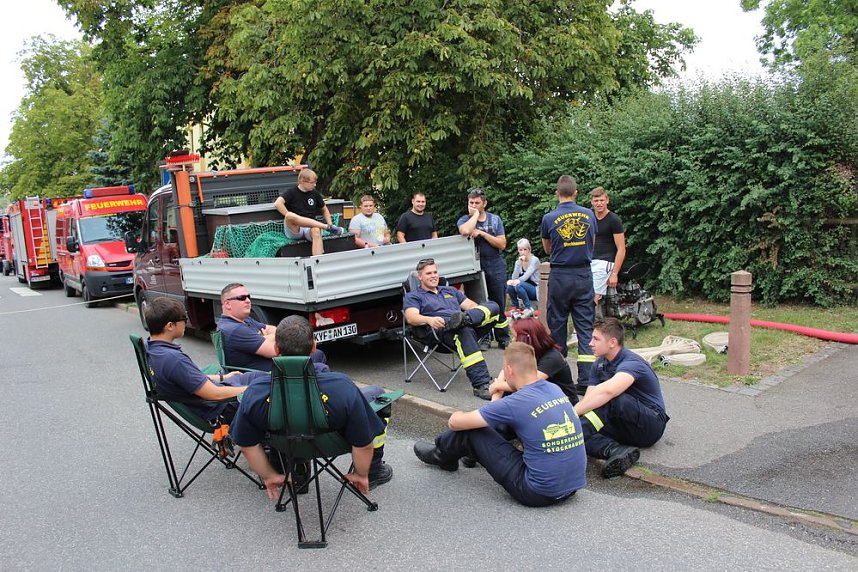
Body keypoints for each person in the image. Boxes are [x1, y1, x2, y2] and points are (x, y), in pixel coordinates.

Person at [229, 315, 393, 499]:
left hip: (284, 444)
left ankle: (294, 464)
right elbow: (363, 442)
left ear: (275, 348)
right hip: (330, 444)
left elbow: (246, 444)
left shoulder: (255, 391)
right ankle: (373, 471)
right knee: (378, 393)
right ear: (314, 347)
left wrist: (269, 476)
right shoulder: (342, 385)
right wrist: (361, 474)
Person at [413, 342, 586, 507]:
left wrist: (459, 413)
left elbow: (455, 423)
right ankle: (452, 455)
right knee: (501, 424)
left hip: (537, 492)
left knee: (471, 430)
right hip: (572, 486)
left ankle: (441, 455)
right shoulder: (553, 389)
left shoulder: (516, 402)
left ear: (509, 370)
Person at [144, 297, 267, 424]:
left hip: (212, 395)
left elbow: (187, 379)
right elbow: (215, 394)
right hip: (221, 408)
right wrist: (252, 389)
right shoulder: (173, 359)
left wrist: (222, 378)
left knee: (263, 377)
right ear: (170, 326)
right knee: (275, 390)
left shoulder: (151, 348)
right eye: (184, 320)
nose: (186, 323)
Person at [575, 318, 669, 478]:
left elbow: (609, 392)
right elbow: (589, 400)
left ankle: (567, 436)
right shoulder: (599, 365)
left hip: (650, 425)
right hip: (623, 423)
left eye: (596, 339)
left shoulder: (632, 363)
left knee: (611, 398)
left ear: (612, 342)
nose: (590, 343)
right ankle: (615, 450)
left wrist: (570, 416)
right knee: (585, 423)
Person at [403, 258, 503, 400]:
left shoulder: (450, 290)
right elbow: (411, 317)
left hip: (466, 321)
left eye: (435, 272)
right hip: (440, 331)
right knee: (465, 332)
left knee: (494, 306)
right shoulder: (413, 296)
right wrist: (429, 319)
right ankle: (481, 385)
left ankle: (464, 320)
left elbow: (471, 306)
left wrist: (470, 316)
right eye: (428, 273)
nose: (433, 276)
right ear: (420, 277)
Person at [541, 175, 597, 382]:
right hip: (583, 275)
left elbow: (547, 248)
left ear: (557, 193)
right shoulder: (589, 214)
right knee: (584, 327)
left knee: (557, 326)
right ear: (576, 193)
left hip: (560, 276)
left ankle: (558, 378)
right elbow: (592, 241)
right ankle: (587, 380)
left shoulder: (549, 218)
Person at [216, 283, 328, 373]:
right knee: (316, 355)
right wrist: (265, 337)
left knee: (316, 354)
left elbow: (274, 329)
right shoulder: (234, 329)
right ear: (227, 304)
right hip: (259, 375)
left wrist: (265, 337)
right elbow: (274, 350)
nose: (248, 300)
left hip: (265, 366)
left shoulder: (244, 320)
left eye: (248, 296)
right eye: (241, 298)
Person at [457, 187, 510, 349]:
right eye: (471, 202)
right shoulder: (464, 220)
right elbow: (465, 231)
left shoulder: (495, 220)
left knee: (499, 302)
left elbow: (502, 243)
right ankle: (485, 337)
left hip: (495, 264)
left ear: (484, 203)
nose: (473, 205)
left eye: (477, 203)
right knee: (480, 302)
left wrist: (483, 234)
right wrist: (474, 216)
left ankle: (503, 337)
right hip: (475, 267)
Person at [489, 317, 577, 403]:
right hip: (542, 396)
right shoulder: (527, 354)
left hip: (562, 402)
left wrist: (498, 385)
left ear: (527, 339)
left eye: (515, 337)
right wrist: (496, 396)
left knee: (514, 389)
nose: (513, 340)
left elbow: (528, 384)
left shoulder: (552, 358)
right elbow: (506, 370)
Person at [274, 168, 344, 256]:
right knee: (289, 216)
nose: (314, 185)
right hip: (295, 228)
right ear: (302, 181)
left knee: (316, 230)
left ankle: (318, 261)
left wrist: (331, 223)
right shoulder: (291, 192)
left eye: (315, 182)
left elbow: (324, 209)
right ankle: (327, 227)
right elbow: (278, 203)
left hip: (310, 228)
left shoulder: (315, 193)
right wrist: (289, 215)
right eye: (312, 183)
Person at [590, 187, 626, 309]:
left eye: (601, 200)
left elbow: (621, 248)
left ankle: (583, 327)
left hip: (605, 262)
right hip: (589, 260)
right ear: (592, 202)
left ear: (607, 200)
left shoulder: (614, 220)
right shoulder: (589, 218)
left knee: (592, 296)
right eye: (596, 201)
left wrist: (614, 273)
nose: (599, 203)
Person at [506, 238, 540, 319]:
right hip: (524, 286)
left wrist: (515, 281)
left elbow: (525, 277)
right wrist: (519, 264)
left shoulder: (534, 260)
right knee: (510, 284)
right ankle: (515, 307)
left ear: (529, 249)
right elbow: (514, 277)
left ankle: (529, 308)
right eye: (520, 250)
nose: (523, 252)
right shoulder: (518, 262)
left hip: (535, 289)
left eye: (525, 249)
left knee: (518, 284)